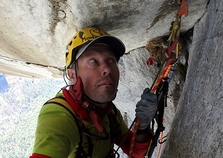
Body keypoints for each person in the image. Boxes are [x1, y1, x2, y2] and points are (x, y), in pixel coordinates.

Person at [30, 27, 158, 158]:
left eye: (111, 60)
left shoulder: (109, 112)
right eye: (93, 61)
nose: (107, 69)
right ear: (72, 74)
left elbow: (136, 151)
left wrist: (142, 126)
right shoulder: (59, 116)